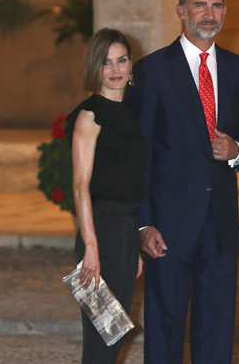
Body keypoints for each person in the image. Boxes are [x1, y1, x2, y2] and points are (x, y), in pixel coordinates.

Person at [124, 0, 239, 364]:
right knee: (165, 331)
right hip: (166, 228)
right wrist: (143, 223)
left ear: (225, 11)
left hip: (220, 223)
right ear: (181, 10)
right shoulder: (151, 72)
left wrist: (237, 148)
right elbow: (141, 154)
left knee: (217, 331)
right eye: (200, 4)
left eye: (216, 5)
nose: (209, 13)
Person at [65, 28, 147, 364]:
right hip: (101, 232)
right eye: (106, 62)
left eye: (122, 60)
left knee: (112, 339)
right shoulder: (89, 114)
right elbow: (80, 186)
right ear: (94, 67)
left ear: (131, 65)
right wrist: (92, 249)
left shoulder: (129, 114)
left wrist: (134, 244)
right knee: (101, 342)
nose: (115, 69)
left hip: (124, 232)